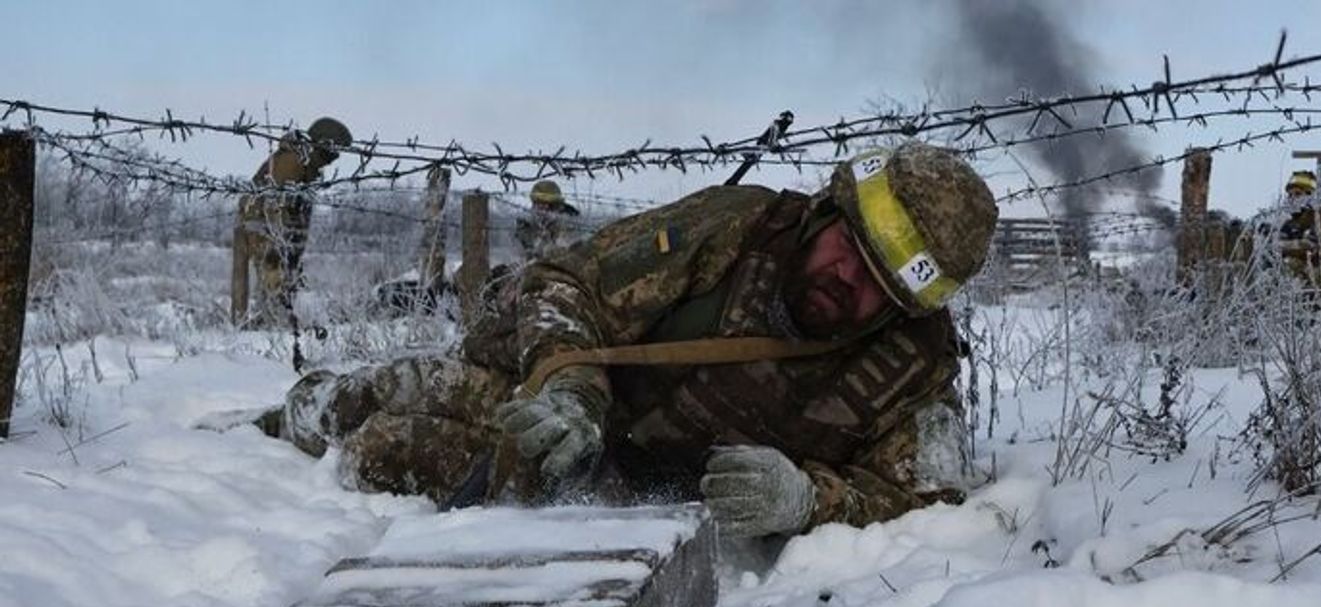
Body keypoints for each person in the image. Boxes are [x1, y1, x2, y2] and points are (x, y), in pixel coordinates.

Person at [269, 142, 998, 538]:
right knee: (390, 391)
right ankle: (296, 414)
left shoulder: (913, 367)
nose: (847, 279)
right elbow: (566, 283)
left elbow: (925, 501)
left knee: (386, 448)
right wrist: (571, 392)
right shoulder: (737, 227)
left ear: (903, 308)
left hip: (629, 496)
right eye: (848, 248)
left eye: (876, 284)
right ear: (828, 213)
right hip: (571, 419)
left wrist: (806, 501)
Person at [233, 117, 352, 323]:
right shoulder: (292, 160)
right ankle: (270, 321)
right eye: (334, 151)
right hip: (262, 224)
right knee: (274, 271)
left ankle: (270, 319)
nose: (335, 158)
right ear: (324, 145)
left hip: (275, 226)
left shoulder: (308, 164)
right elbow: (275, 202)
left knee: (282, 274)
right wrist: (281, 240)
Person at [515, 180, 582, 258]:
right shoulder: (525, 224)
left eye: (550, 204)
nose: (545, 208)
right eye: (539, 203)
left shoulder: (570, 222)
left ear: (559, 205)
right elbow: (522, 252)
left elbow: (567, 250)